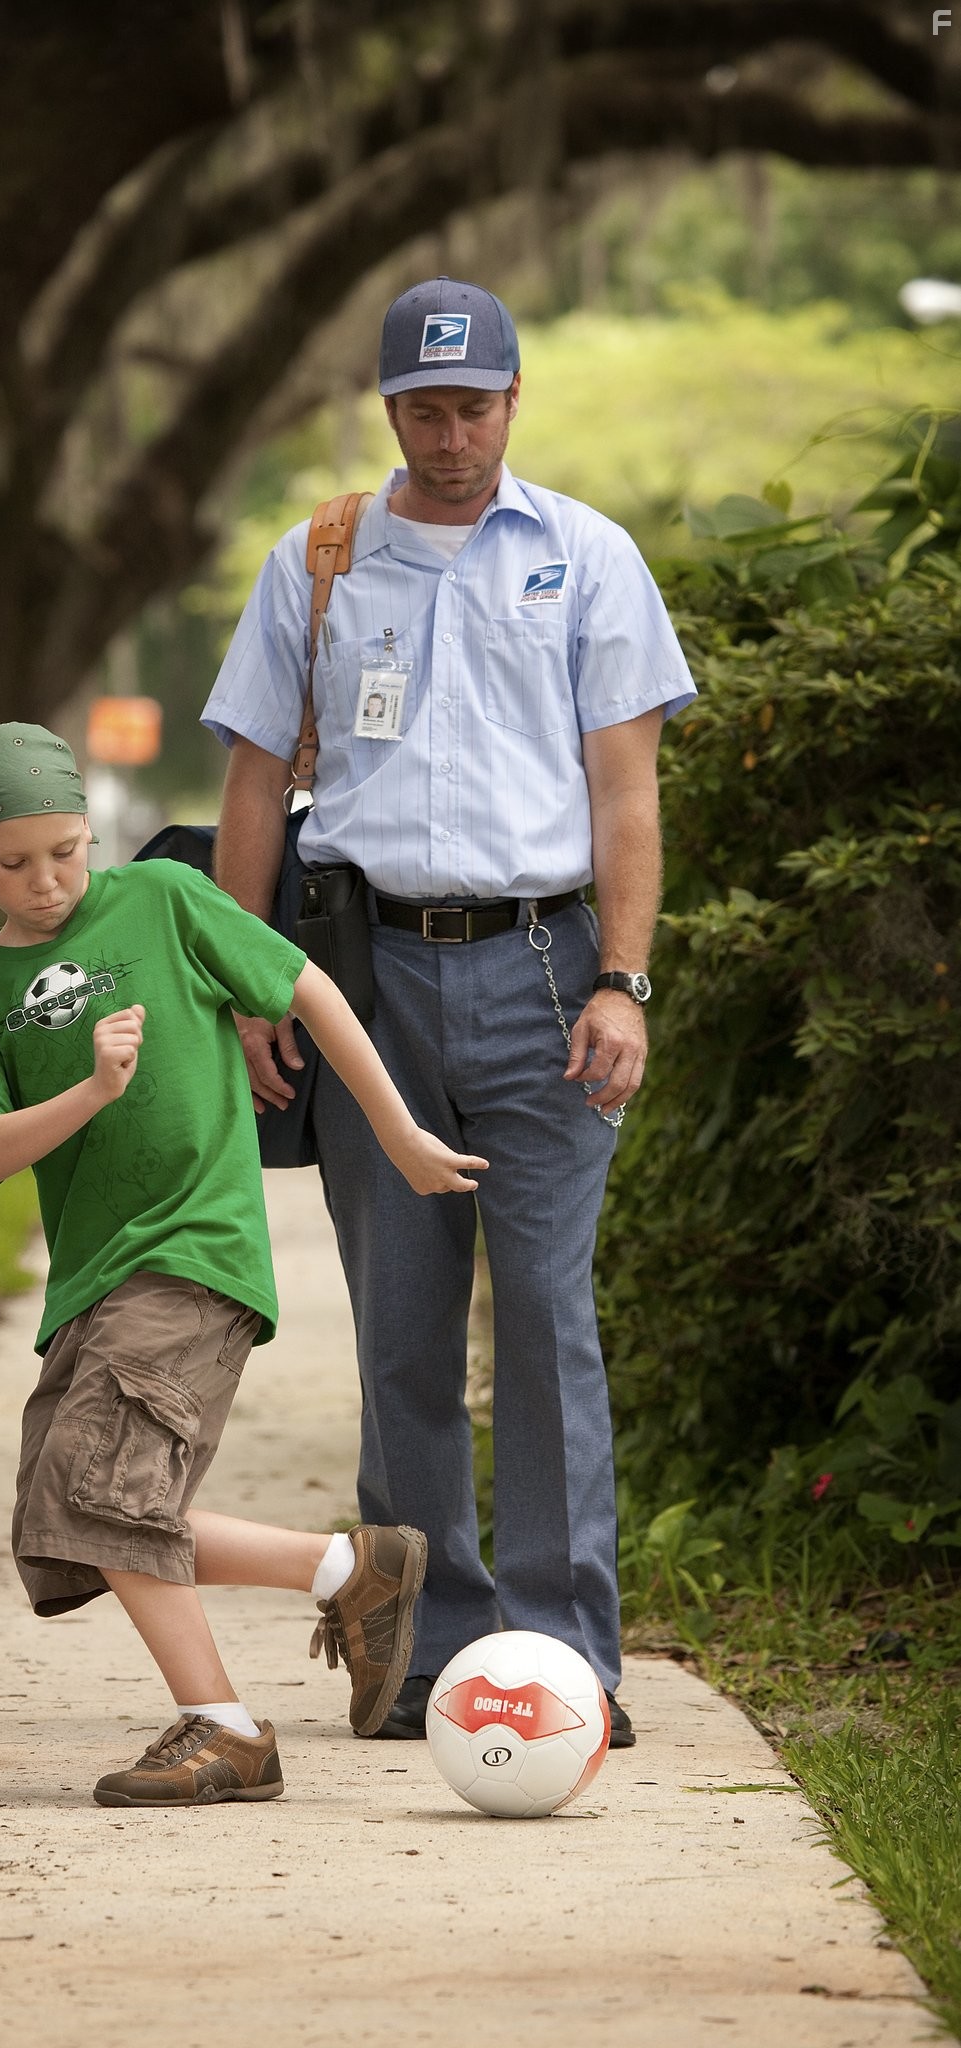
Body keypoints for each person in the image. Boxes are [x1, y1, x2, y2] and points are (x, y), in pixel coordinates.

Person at [203, 277, 697, 1746]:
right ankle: (423, 1654)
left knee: (548, 1319)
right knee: (403, 1332)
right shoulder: (318, 563)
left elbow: (626, 792)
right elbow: (249, 789)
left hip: (548, 972)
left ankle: (559, 1661)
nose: (449, 430)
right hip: (364, 980)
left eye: (471, 402)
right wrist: (248, 983)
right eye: (422, 405)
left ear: (511, 398)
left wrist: (625, 980)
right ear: (388, 408)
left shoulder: (586, 558)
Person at [0, 722, 487, 1807]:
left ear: (89, 832)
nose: (45, 880)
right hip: (91, 1275)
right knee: (63, 1525)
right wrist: (90, 1091)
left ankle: (226, 1729)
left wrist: (397, 1131)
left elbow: (306, 990)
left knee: (99, 1494)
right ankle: (345, 1569)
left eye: (63, 850)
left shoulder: (161, 898)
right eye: (12, 861)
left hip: (195, 1249)